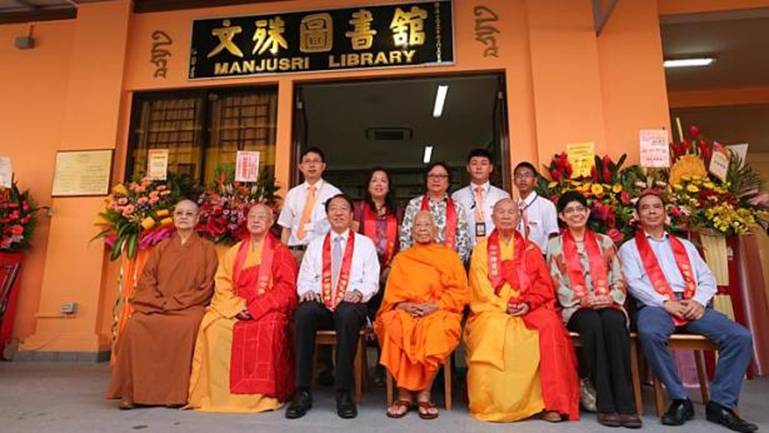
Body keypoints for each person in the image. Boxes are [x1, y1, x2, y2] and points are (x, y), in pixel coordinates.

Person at [619, 192, 757, 432]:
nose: (652, 211)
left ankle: (721, 404)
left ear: (665, 213)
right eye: (646, 208)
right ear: (637, 215)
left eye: (656, 207)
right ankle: (680, 399)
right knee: (649, 332)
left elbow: (706, 278)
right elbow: (632, 283)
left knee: (740, 337)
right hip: (655, 306)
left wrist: (699, 301)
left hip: (692, 302)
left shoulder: (685, 245)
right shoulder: (629, 248)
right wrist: (664, 302)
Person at [464, 198, 579, 423]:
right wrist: (502, 306)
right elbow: (479, 286)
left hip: (528, 306)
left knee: (549, 325)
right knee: (492, 329)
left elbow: (542, 284)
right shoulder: (481, 249)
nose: (506, 216)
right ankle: (494, 404)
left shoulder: (530, 249)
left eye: (511, 212)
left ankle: (549, 402)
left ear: (518, 218)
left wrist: (528, 304)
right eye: (501, 212)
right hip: (492, 308)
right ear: (493, 217)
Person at [106, 199, 218, 409]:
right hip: (158, 306)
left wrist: (175, 303)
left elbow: (207, 285)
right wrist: (160, 302)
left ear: (197, 219)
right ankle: (132, 393)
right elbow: (147, 280)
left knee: (190, 326)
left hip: (189, 308)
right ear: (173, 218)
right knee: (135, 325)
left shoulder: (207, 249)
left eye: (189, 214)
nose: (183, 217)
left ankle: (176, 394)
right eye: (179, 213)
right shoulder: (161, 247)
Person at [187, 204, 298, 413]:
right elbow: (222, 284)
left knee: (269, 328)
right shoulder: (235, 251)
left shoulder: (280, 252)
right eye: (252, 216)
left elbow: (287, 289)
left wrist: (256, 308)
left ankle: (260, 396)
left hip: (267, 310)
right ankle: (218, 396)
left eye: (261, 217)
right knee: (214, 326)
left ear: (271, 223)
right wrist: (238, 307)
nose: (255, 220)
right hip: (236, 308)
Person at [546, 191, 641, 428]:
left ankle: (626, 404)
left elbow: (619, 276)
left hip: (608, 302)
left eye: (580, 209)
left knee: (613, 323)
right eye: (570, 211)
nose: (576, 214)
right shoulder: (555, 244)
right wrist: (582, 299)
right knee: (592, 325)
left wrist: (609, 297)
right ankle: (606, 404)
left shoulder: (604, 241)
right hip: (577, 307)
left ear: (588, 212)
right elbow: (555, 281)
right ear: (562, 216)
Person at [285, 194, 380, 420]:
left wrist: (359, 293)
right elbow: (305, 277)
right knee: (303, 314)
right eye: (333, 209)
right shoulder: (316, 245)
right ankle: (302, 391)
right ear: (327, 215)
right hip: (321, 303)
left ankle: (344, 392)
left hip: (350, 303)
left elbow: (372, 280)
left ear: (351, 215)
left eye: (343, 209)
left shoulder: (365, 244)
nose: (338, 213)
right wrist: (306, 291)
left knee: (347, 316)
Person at [375, 211, 470, 420]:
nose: (423, 228)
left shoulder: (449, 257)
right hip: (407, 310)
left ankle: (424, 394)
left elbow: (460, 292)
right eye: (418, 225)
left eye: (427, 225)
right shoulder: (402, 258)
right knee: (393, 324)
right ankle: (404, 395)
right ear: (412, 231)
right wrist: (403, 305)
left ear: (436, 230)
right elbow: (391, 296)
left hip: (439, 310)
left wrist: (436, 306)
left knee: (437, 329)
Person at [352, 167, 403, 319]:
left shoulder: (397, 210)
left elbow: (403, 241)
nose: (378, 184)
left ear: (389, 186)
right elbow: (353, 241)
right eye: (374, 180)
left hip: (390, 269)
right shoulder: (358, 209)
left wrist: (391, 266)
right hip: (364, 267)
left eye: (383, 180)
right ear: (368, 186)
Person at [278, 147, 341, 261]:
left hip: (322, 254)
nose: (312, 165)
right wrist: (283, 255)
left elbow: (340, 227)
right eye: (307, 161)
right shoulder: (292, 194)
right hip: (294, 252)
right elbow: (286, 228)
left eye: (316, 161)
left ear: (323, 166)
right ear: (300, 167)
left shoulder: (334, 194)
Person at [400, 162, 471, 263]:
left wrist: (454, 265)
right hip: (419, 264)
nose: (436, 179)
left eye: (441, 176)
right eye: (432, 175)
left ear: (448, 181)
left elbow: (463, 241)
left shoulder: (457, 207)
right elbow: (405, 238)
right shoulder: (414, 205)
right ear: (426, 180)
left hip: (449, 266)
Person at [452, 148, 509, 247]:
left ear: (491, 168)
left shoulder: (502, 196)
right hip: (466, 250)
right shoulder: (457, 196)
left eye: (483, 163)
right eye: (474, 163)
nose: (478, 167)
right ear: (468, 168)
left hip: (495, 249)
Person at [513, 162, 558, 253]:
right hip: (516, 258)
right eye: (519, 175)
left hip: (540, 256)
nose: (523, 179)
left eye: (527, 175)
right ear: (514, 181)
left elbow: (553, 235)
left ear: (535, 180)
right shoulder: (512, 206)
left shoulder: (546, 205)